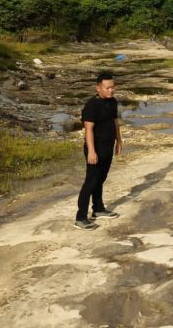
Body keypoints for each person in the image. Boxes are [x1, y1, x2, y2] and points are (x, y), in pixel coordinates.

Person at [74, 71, 123, 230]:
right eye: (107, 88)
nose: (111, 90)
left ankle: (98, 209)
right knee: (91, 181)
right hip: (95, 149)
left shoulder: (112, 102)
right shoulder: (91, 105)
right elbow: (88, 130)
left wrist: (119, 140)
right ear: (98, 88)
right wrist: (91, 151)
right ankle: (81, 217)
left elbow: (115, 122)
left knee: (101, 179)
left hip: (108, 147)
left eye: (112, 87)